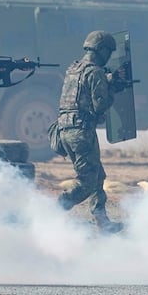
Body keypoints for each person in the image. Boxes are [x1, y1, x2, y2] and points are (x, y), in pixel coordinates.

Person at [56, 30, 128, 234]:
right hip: (81, 131)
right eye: (109, 52)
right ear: (102, 50)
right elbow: (100, 105)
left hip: (66, 128)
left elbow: (83, 91)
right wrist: (113, 88)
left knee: (97, 177)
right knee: (87, 182)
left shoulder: (74, 68)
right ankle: (51, 212)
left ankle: (103, 222)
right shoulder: (95, 72)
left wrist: (109, 79)